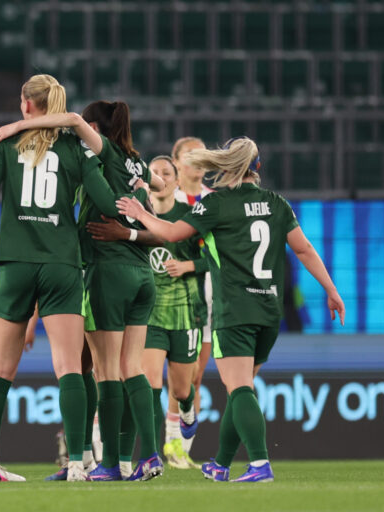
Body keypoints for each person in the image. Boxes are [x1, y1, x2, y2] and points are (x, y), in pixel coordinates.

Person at [0, 75, 141, 482]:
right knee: (70, 369)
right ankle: (77, 462)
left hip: (14, 267)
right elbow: (110, 203)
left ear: (26, 105)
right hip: (61, 266)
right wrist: (136, 199)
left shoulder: (5, 145)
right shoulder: (77, 147)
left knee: (1, 369)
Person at [116, 136, 345, 482]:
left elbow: (173, 234)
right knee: (243, 390)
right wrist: (331, 289)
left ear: (225, 166)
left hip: (234, 311)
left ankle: (259, 464)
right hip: (269, 311)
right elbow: (305, 249)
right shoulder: (277, 203)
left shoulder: (217, 204)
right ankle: (221, 463)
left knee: (239, 390)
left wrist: (139, 214)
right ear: (258, 168)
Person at [0, 100, 166, 482]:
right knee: (116, 367)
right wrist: (144, 188)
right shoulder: (135, 160)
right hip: (142, 273)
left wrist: (16, 127)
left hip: (106, 269)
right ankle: (137, 457)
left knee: (105, 372)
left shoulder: (102, 152)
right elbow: (162, 184)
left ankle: (111, 463)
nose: (77, 132)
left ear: (95, 129)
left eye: (86, 127)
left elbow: (70, 119)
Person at [86, 155, 208, 475]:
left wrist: (188, 266)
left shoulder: (190, 216)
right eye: (154, 172)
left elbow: (215, 258)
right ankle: (150, 454)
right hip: (151, 312)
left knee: (182, 388)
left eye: (166, 173)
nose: (159, 177)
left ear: (177, 182)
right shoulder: (134, 210)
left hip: (185, 312)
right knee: (148, 380)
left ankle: (185, 409)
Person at [167, 136, 211, 469]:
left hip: (207, 299)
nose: (196, 161)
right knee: (157, 375)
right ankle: (168, 446)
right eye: (189, 156)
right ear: (176, 161)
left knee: (193, 378)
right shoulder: (167, 199)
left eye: (201, 155)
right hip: (167, 297)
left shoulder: (215, 201)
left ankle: (180, 450)